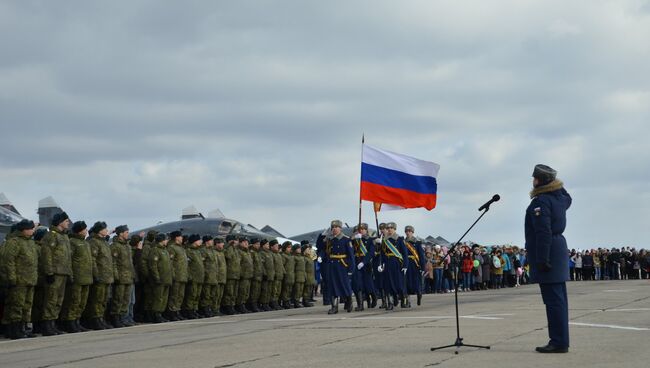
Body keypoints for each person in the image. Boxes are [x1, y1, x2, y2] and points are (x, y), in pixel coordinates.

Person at [525, 164, 571, 353]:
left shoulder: (541, 201)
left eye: (535, 178)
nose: (533, 181)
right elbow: (567, 196)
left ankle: (558, 342)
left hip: (548, 252)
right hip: (558, 249)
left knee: (553, 301)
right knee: (559, 300)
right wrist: (555, 182)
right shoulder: (560, 198)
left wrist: (541, 259)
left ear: (540, 181)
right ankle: (560, 339)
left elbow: (543, 231)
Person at [1, 219, 38, 339]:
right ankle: (14, 330)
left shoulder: (30, 242)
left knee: (27, 305)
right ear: (24, 230)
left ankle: (23, 328)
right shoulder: (14, 242)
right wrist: (11, 278)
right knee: (17, 305)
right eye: (31, 228)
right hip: (19, 280)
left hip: (29, 279)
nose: (33, 230)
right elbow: (8, 261)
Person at [39, 212, 72, 336]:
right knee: (51, 300)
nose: (68, 223)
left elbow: (67, 257)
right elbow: (46, 255)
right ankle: (47, 325)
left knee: (59, 300)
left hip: (63, 272)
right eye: (66, 221)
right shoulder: (51, 236)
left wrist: (70, 273)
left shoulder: (64, 236)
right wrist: (49, 272)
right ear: (60, 222)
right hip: (55, 273)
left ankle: (53, 324)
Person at [59, 221, 93, 333]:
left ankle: (77, 322)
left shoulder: (85, 243)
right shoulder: (72, 242)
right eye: (84, 229)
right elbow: (69, 260)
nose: (86, 231)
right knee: (74, 301)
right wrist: (71, 276)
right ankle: (70, 322)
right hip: (77, 277)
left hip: (86, 277)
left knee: (82, 302)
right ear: (79, 230)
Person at [84, 221, 114, 330]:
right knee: (97, 299)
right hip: (100, 276)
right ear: (99, 230)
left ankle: (100, 318)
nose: (107, 230)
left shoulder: (104, 242)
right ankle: (95, 319)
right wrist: (96, 274)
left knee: (103, 300)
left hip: (107, 276)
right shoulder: (94, 242)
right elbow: (93, 260)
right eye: (105, 229)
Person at [324, 220, 355, 314]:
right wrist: (323, 236)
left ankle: (349, 301)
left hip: (342, 266)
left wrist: (351, 269)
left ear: (340, 228)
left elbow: (351, 256)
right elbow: (324, 249)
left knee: (344, 285)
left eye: (336, 227)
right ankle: (334, 307)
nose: (334, 229)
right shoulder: (330, 240)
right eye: (332, 227)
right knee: (333, 286)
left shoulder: (346, 240)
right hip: (333, 266)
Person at [110, 225, 135, 328]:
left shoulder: (127, 246)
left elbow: (130, 263)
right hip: (120, 277)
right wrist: (116, 276)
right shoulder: (115, 246)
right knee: (118, 299)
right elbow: (113, 263)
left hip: (128, 277)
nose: (127, 234)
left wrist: (133, 275)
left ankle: (123, 318)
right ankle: (115, 318)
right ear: (120, 233)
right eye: (126, 232)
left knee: (126, 299)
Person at [148, 233, 172, 323]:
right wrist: (157, 278)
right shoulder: (155, 250)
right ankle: (156, 314)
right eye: (166, 239)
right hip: (160, 279)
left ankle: (161, 313)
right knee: (158, 298)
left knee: (164, 298)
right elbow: (153, 266)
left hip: (166, 278)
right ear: (161, 240)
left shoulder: (165, 250)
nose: (167, 241)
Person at [167, 231, 187, 321]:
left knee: (180, 295)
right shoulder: (172, 248)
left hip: (182, 275)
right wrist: (173, 274)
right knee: (174, 295)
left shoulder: (181, 248)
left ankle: (177, 311)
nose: (182, 238)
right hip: (176, 276)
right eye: (180, 236)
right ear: (176, 237)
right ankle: (172, 312)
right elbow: (170, 263)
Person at [404, 225, 425, 306]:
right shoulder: (403, 242)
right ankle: (407, 301)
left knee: (416, 282)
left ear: (412, 232)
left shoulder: (417, 242)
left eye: (409, 231)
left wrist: (422, 267)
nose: (408, 232)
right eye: (406, 231)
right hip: (406, 264)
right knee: (406, 283)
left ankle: (419, 294)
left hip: (415, 264)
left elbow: (421, 256)